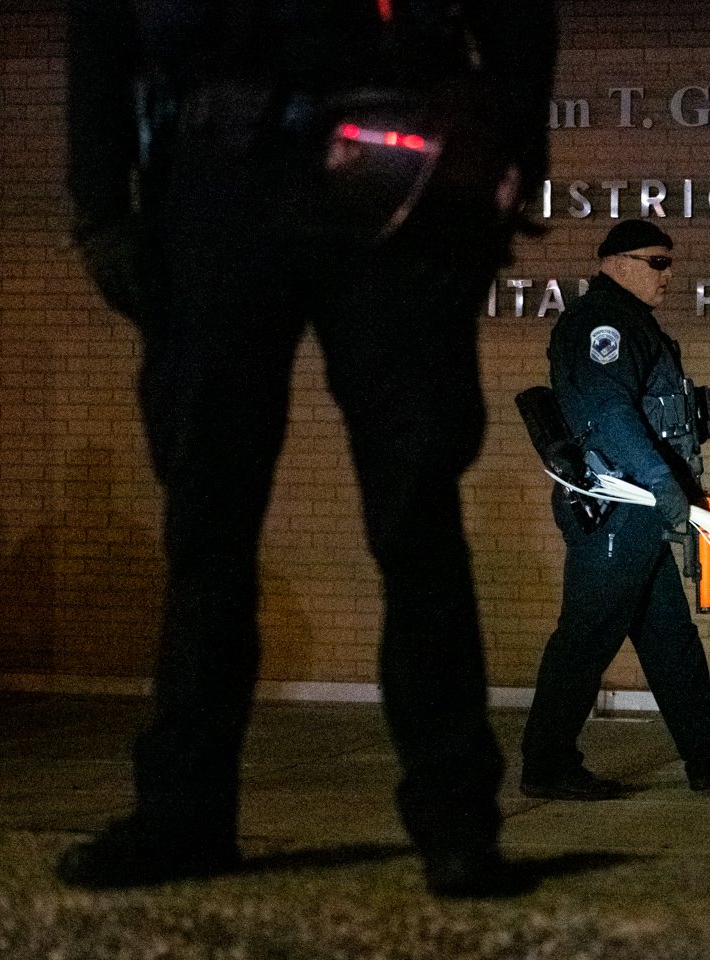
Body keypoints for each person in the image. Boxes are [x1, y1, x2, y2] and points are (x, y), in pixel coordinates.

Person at [58, 0, 557, 897]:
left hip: (390, 158)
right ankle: (188, 813)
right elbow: (98, 25)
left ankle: (454, 819)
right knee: (211, 519)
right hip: (221, 165)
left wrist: (509, 168)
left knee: (414, 513)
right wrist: (100, 204)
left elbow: (522, 19)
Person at [520, 219, 710, 800]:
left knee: (668, 636)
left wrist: (681, 498)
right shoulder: (603, 323)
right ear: (615, 263)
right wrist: (667, 487)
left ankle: (708, 756)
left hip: (639, 508)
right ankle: (547, 764)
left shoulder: (634, 324)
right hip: (619, 508)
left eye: (670, 263)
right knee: (586, 637)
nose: (669, 274)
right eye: (656, 262)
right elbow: (612, 413)